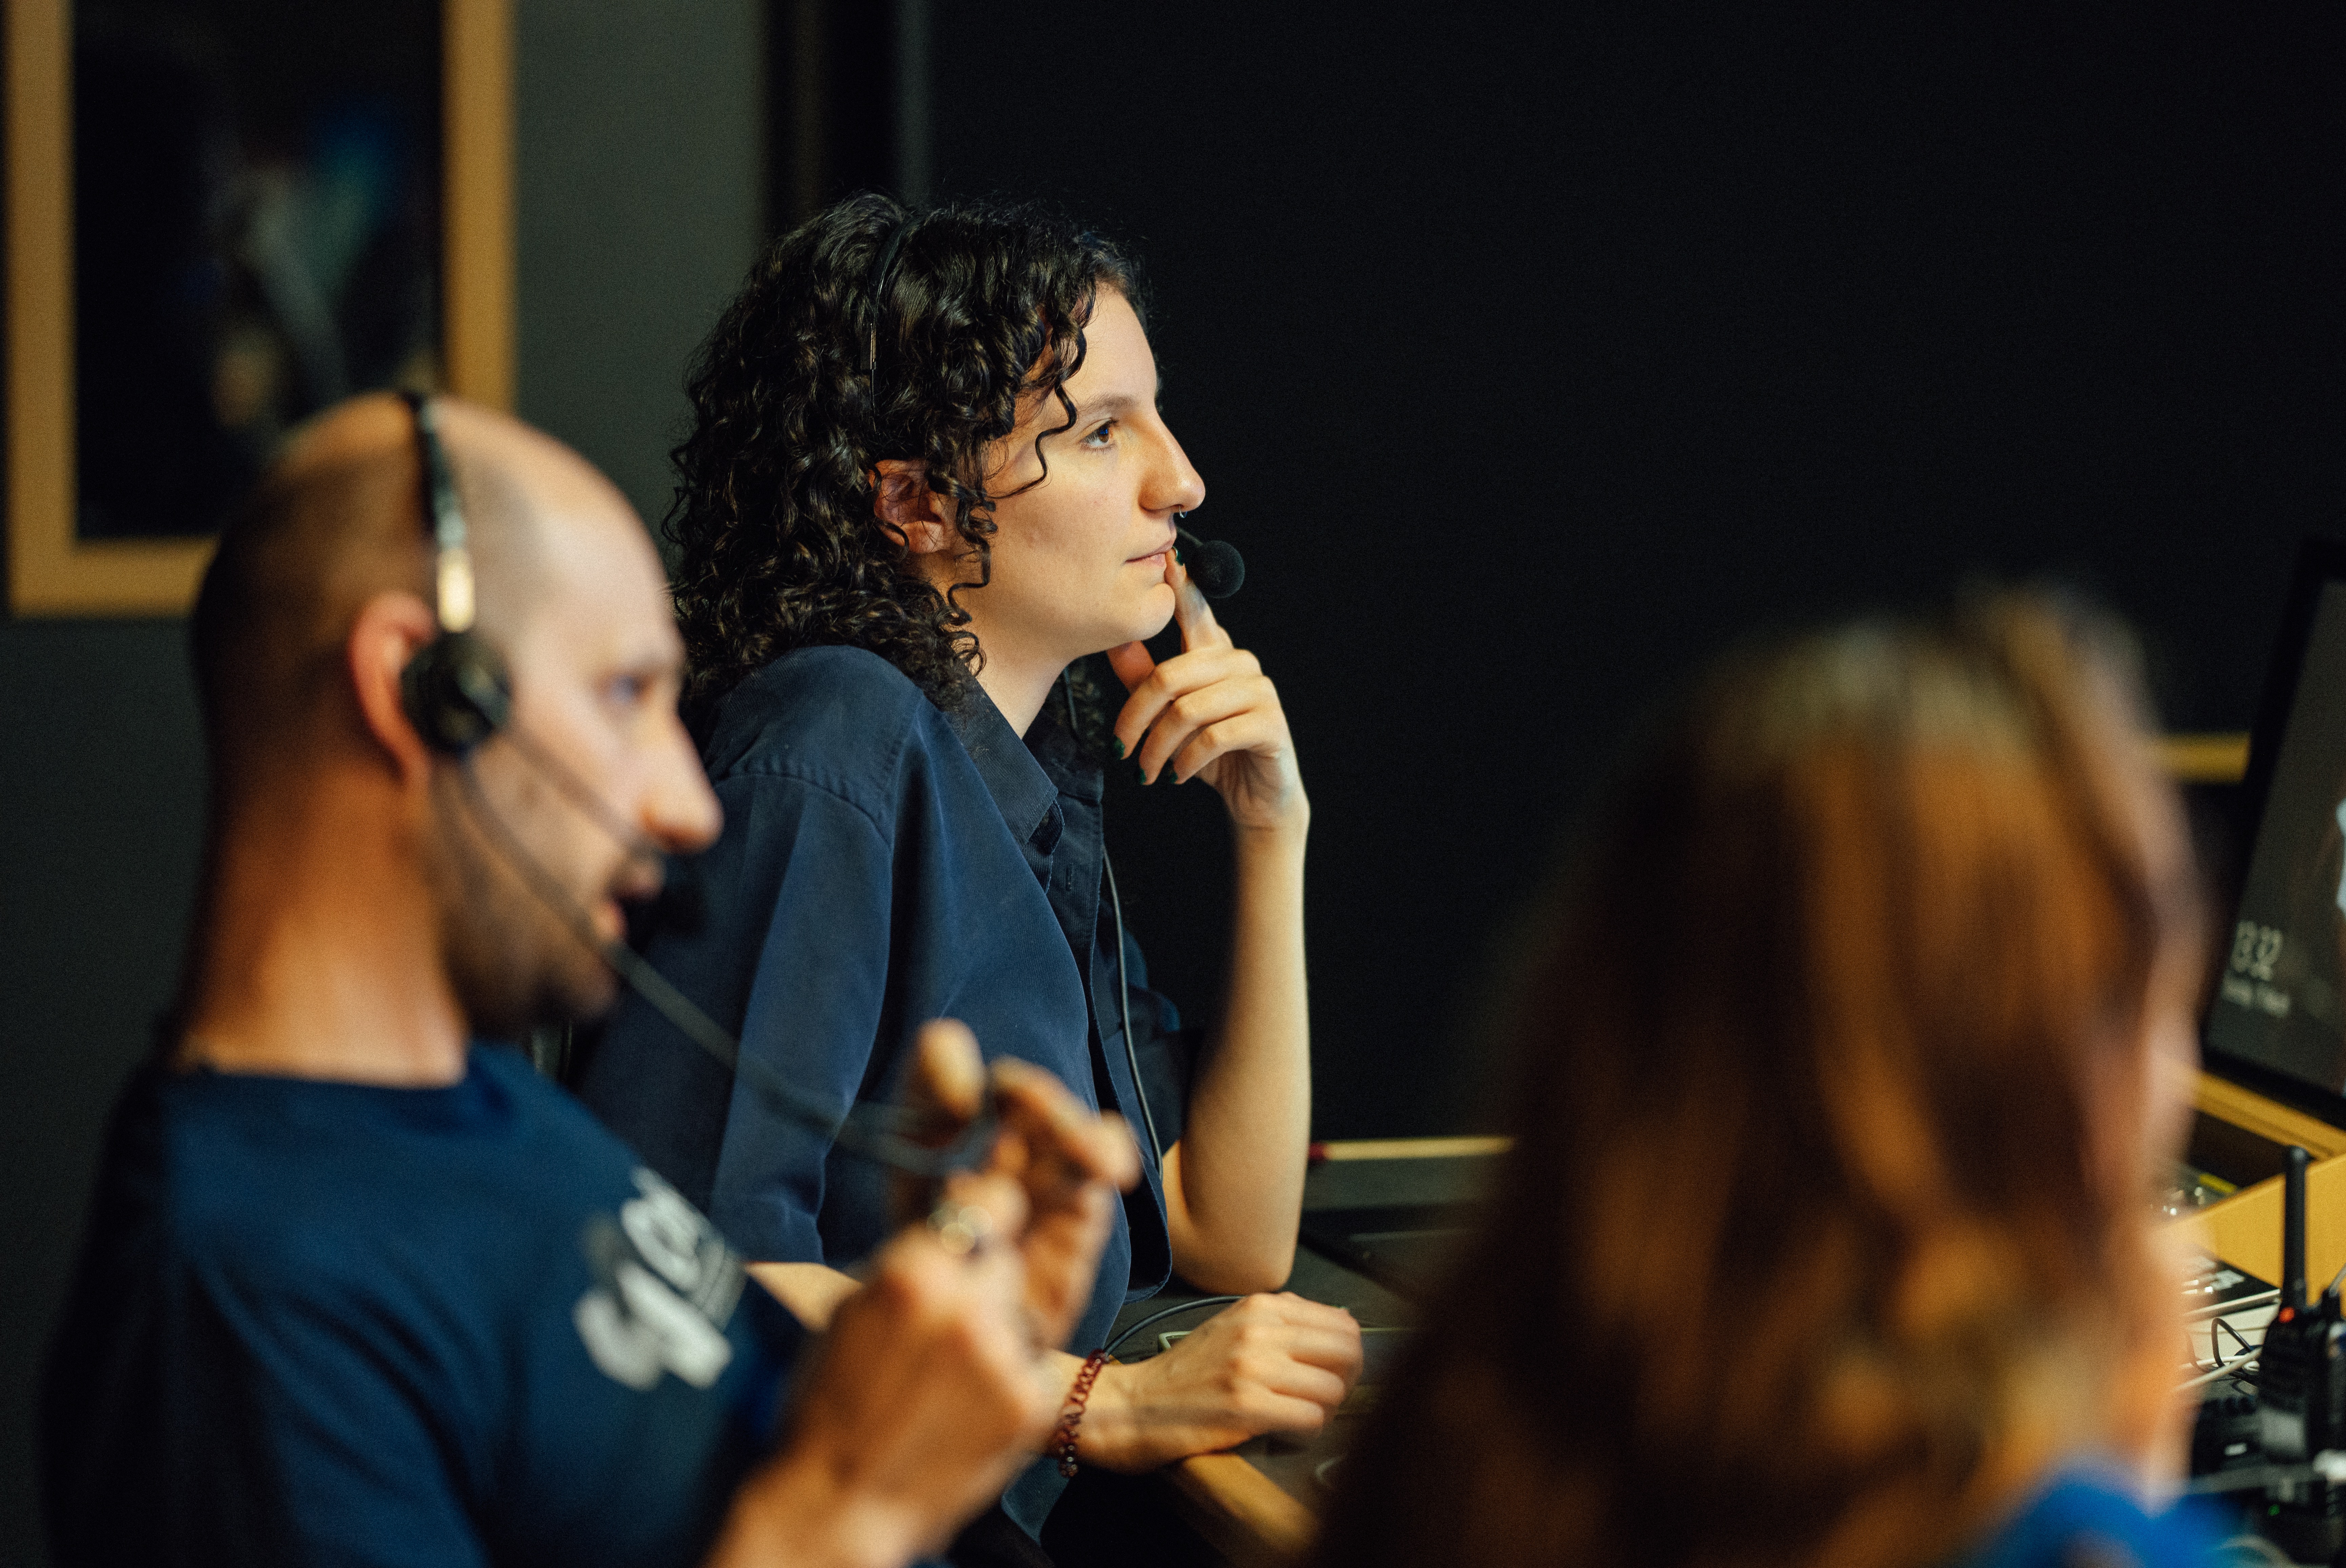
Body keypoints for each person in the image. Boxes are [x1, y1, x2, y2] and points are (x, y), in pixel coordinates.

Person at [40, 392, 1138, 1568]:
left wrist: (954, 1314)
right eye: (624, 697)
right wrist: (847, 1507)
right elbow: (817, 1510)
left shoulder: (483, 1113)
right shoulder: (244, 1295)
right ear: (425, 691)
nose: (685, 801)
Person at [572, 195, 1361, 1554]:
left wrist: (1270, 829)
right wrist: (1097, 1405)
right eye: (1105, 430)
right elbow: (689, 1276)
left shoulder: (1020, 769)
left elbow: (1229, 1234)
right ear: (916, 500)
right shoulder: (831, 742)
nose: (1180, 481)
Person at [1310, 593, 2231, 1568]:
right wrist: (2126, 1488)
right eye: (2149, 1006)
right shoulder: (2068, 1540)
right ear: (2046, 1078)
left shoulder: (1453, 1427)